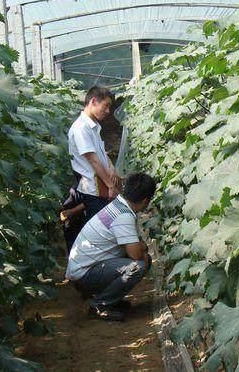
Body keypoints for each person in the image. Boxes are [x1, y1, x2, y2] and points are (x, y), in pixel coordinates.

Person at [65, 173, 156, 321]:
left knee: (139, 260)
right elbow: (136, 255)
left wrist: (140, 248)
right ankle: (99, 306)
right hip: (85, 275)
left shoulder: (118, 204)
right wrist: (143, 253)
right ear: (146, 201)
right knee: (138, 266)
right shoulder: (124, 215)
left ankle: (111, 300)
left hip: (83, 270)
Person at [68, 86, 122, 222]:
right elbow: (93, 160)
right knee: (101, 231)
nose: (108, 111)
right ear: (93, 101)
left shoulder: (93, 126)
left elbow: (101, 153)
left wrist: (112, 168)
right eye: (106, 106)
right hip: (94, 192)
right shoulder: (81, 128)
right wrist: (110, 185)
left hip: (101, 189)